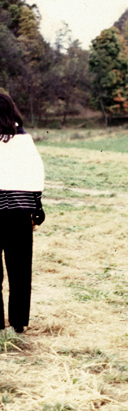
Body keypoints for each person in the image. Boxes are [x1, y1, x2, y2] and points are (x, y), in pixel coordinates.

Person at [0, 93, 45, 334]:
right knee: (19, 270)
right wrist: (37, 206)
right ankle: (18, 322)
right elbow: (36, 174)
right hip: (19, 212)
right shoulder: (23, 139)